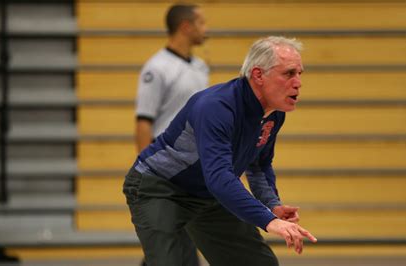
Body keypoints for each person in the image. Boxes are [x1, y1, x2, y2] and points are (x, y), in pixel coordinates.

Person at [124, 36, 317, 266]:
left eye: (299, 74)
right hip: (160, 187)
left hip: (208, 193)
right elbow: (219, 177)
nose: (298, 82)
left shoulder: (274, 114)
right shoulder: (216, 107)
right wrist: (269, 221)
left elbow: (259, 165)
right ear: (258, 75)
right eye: (289, 73)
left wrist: (272, 205)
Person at [134, 4, 208, 266]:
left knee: (175, 237)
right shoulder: (157, 68)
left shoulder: (200, 67)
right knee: (171, 237)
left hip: (192, 166)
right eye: (201, 22)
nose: (206, 29)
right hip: (165, 165)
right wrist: (147, 172)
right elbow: (144, 121)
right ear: (185, 26)